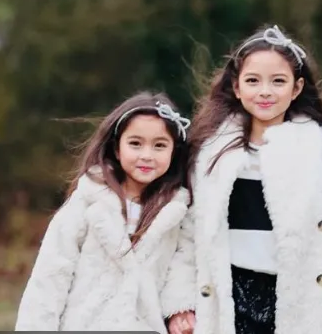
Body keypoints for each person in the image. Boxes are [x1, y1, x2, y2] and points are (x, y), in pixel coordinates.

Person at [183, 24, 322, 334]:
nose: (265, 91)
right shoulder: (211, 151)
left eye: (278, 81)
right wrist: (181, 303)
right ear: (236, 86)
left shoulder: (317, 148)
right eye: (253, 81)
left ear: (296, 88)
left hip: (290, 292)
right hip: (228, 288)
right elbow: (191, 230)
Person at [15, 91, 197, 333]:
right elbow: (51, 276)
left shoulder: (176, 212)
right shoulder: (87, 202)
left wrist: (179, 309)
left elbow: (182, 267)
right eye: (135, 143)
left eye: (159, 146)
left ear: (173, 152)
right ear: (117, 148)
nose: (146, 155)